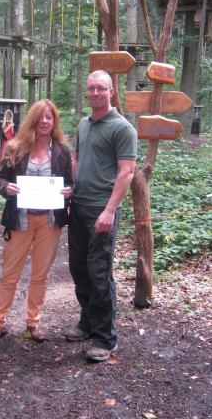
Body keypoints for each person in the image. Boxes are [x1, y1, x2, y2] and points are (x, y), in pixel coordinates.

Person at [0, 99, 73, 343]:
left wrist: (69, 191)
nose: (45, 121)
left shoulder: (62, 151)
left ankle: (33, 323)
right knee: (9, 274)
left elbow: (69, 183)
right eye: (41, 117)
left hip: (49, 222)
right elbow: (0, 180)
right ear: (33, 120)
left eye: (49, 117)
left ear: (54, 121)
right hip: (20, 220)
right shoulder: (15, 148)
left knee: (40, 276)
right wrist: (8, 188)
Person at [66, 70, 137, 363]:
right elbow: (78, 159)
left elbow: (127, 172)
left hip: (101, 210)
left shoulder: (122, 128)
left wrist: (109, 210)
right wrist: (72, 189)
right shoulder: (84, 124)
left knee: (99, 271)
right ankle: (88, 321)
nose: (95, 93)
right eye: (91, 88)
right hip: (79, 206)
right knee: (78, 269)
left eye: (100, 88)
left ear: (111, 91)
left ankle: (105, 337)